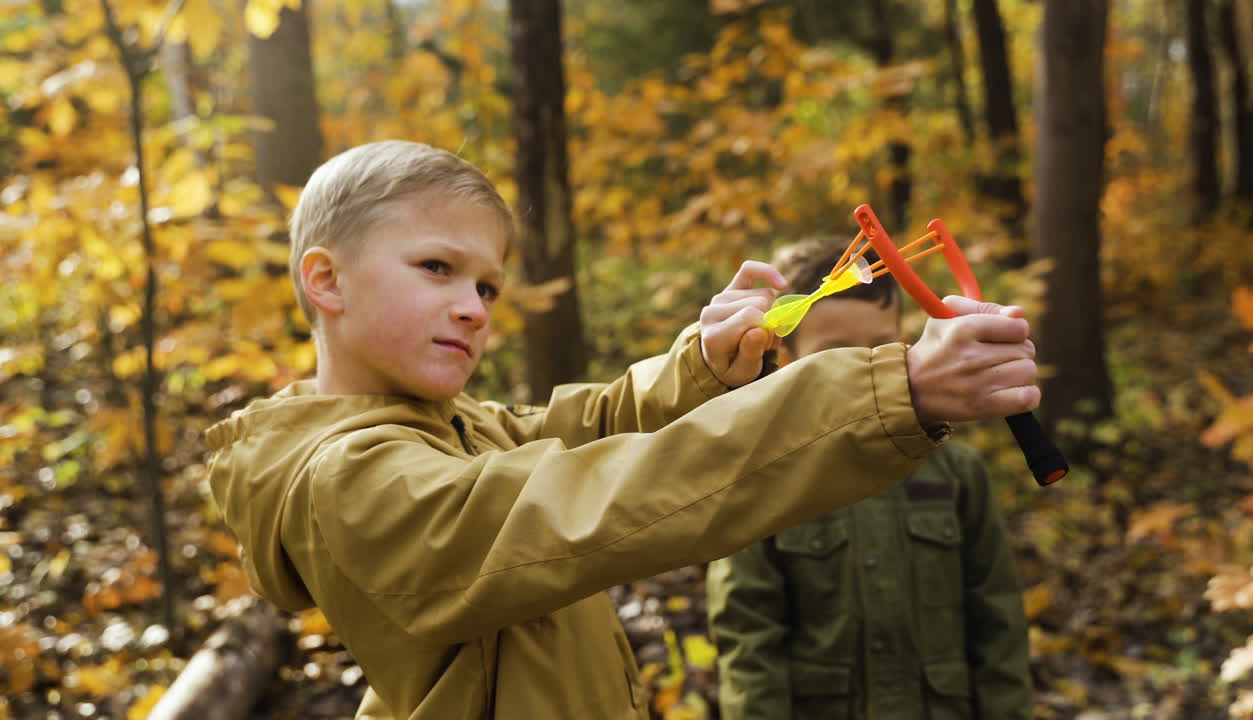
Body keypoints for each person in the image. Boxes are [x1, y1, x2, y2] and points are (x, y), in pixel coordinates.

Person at [203, 140, 1041, 719]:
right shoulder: (349, 480)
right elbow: (599, 497)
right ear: (327, 281)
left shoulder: (454, 429)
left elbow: (594, 425)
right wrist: (895, 390)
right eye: (437, 268)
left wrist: (705, 368)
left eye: (487, 287)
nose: (474, 308)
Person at [707, 237, 1034, 720]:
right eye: (835, 354)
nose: (864, 367)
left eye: (880, 348)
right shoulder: (762, 478)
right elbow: (749, 640)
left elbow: (998, 623)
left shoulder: (957, 473)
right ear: (788, 358)